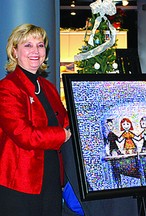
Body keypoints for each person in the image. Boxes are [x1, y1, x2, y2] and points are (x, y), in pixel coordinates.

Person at [0, 23, 71, 216]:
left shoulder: (48, 87)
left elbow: (65, 121)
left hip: (51, 180)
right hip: (20, 183)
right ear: (14, 51)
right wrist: (62, 135)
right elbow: (24, 135)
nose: (35, 51)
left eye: (40, 45)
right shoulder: (7, 88)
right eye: (27, 45)